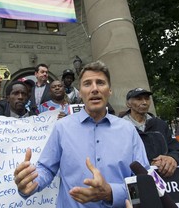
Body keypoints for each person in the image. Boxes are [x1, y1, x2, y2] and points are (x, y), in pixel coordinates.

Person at [14, 61, 149, 207]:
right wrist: (32, 181)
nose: (94, 89)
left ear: (109, 90)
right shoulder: (62, 128)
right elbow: (46, 168)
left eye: (100, 83)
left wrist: (111, 192)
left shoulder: (128, 130)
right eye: (87, 84)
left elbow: (145, 182)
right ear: (80, 92)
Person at [120, 88, 179, 177]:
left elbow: (177, 151)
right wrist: (150, 163)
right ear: (128, 104)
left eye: (147, 99)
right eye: (139, 99)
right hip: (136, 180)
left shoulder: (160, 125)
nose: (144, 102)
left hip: (165, 179)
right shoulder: (120, 127)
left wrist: (172, 158)